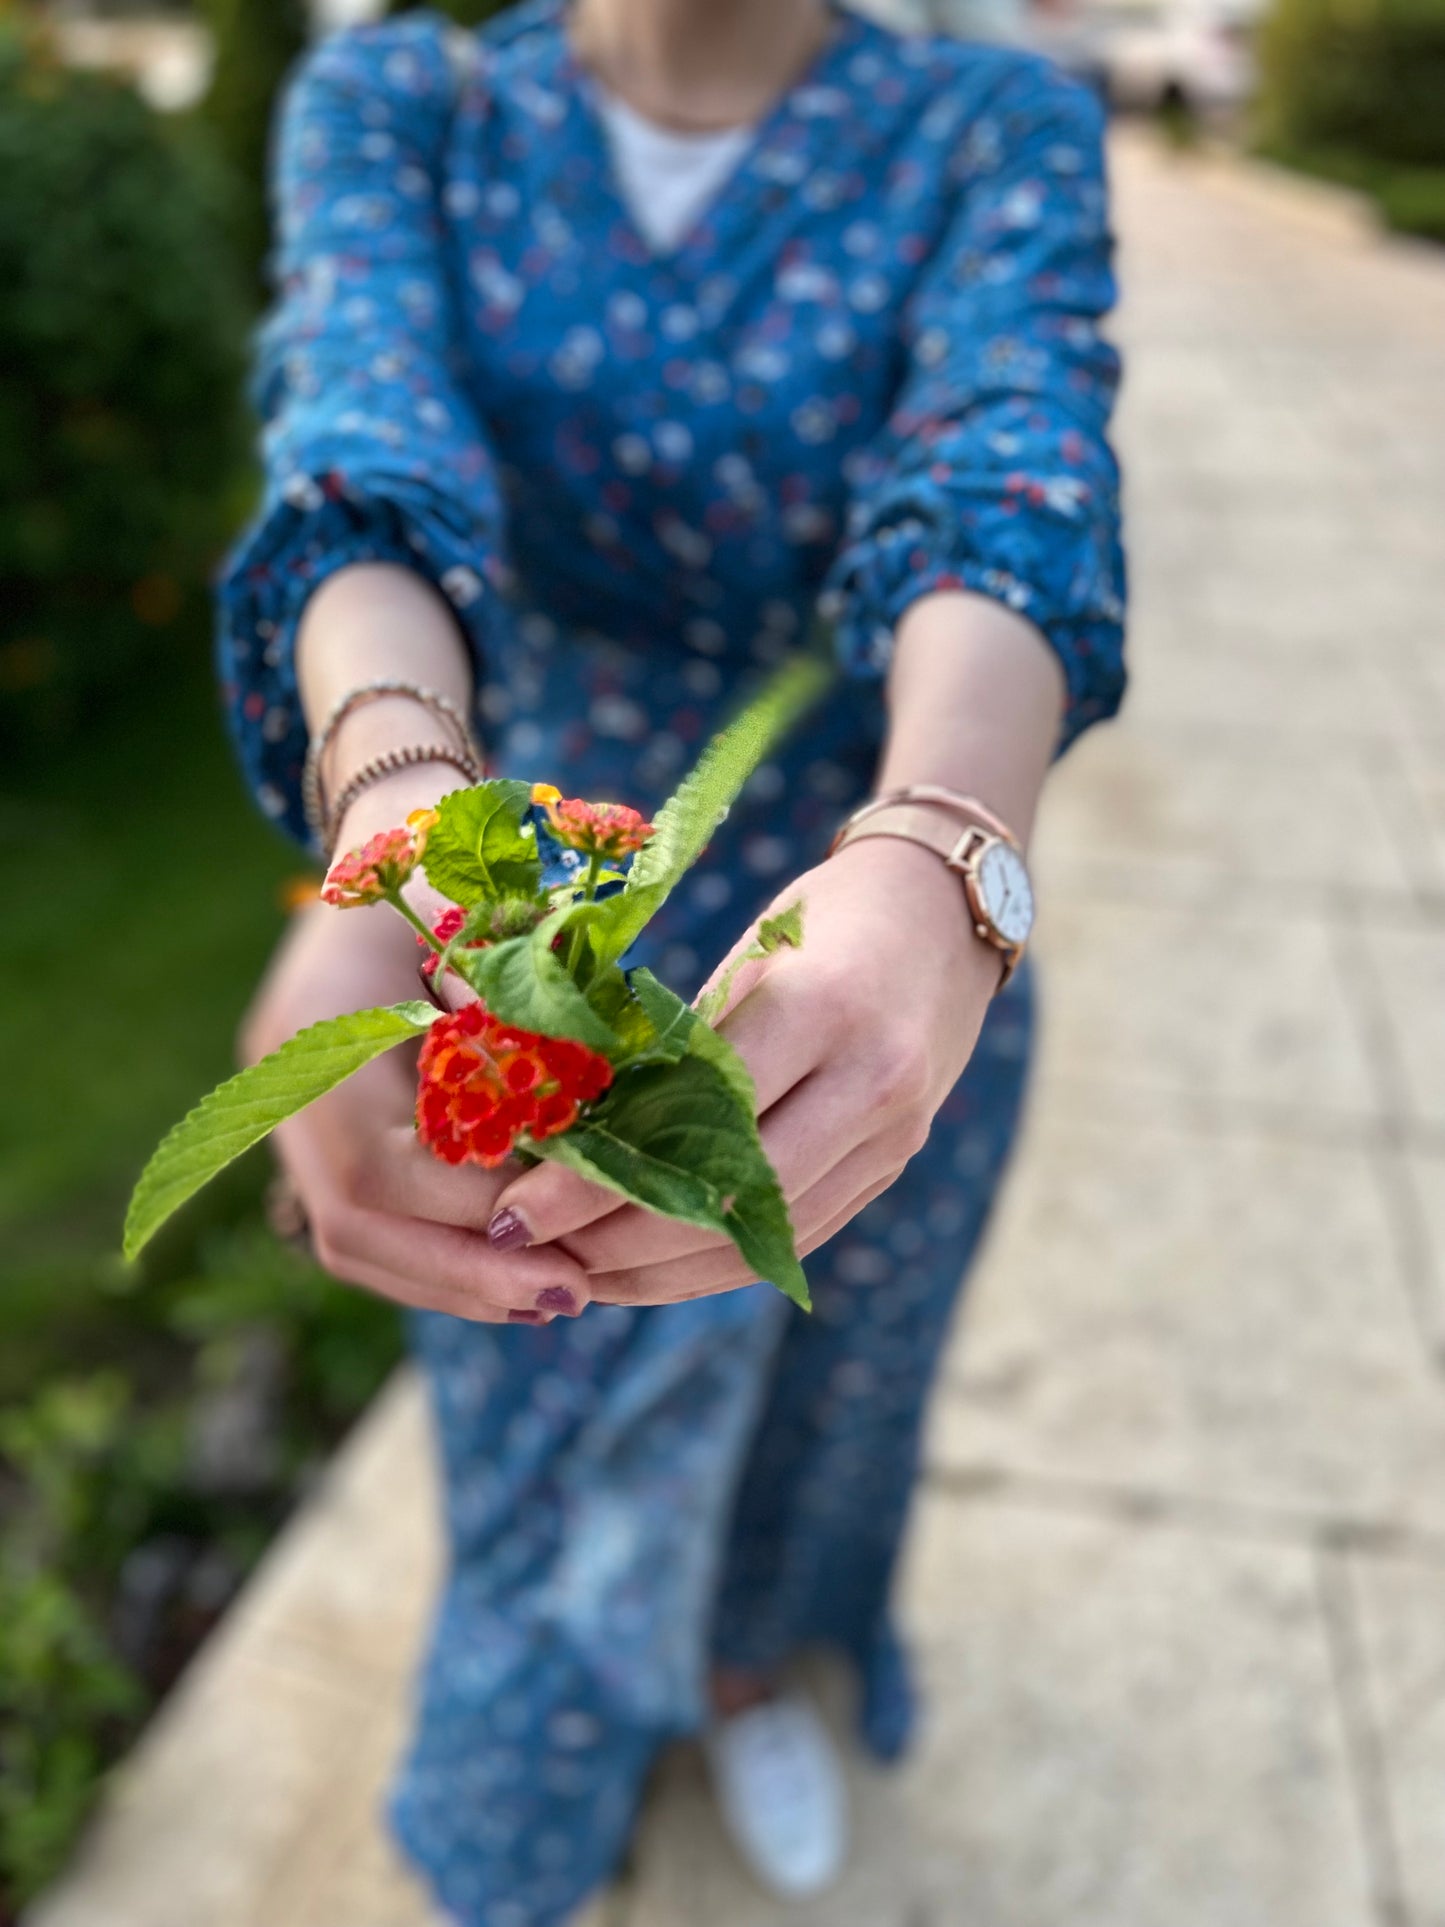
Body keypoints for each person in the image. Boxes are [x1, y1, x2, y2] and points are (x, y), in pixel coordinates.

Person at [222, 0, 1125, 1919]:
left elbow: (1008, 480)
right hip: (527, 914)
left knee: (827, 1384)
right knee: (534, 1399)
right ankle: (554, 1744)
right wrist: (388, 819)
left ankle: (737, 1673)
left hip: (854, 901)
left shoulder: (988, 124)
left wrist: (948, 851)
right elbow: (361, 452)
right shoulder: (411, 103)